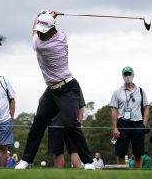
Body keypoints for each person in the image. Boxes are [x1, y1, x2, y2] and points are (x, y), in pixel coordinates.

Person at [15, 10, 94, 170]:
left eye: (44, 32)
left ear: (52, 30)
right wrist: (47, 18)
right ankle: (26, 160)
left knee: (71, 125)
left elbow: (33, 32)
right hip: (52, 90)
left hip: (68, 88)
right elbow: (36, 29)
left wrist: (41, 15)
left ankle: (89, 163)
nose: (41, 35)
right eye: (40, 32)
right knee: (38, 123)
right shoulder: (62, 37)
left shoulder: (46, 45)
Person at [110, 66, 149, 169]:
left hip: (138, 123)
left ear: (133, 75)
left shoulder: (140, 91)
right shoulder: (117, 91)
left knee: (138, 153)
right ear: (123, 76)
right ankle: (122, 175)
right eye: (125, 74)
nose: (128, 76)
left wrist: (144, 123)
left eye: (129, 74)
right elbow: (114, 110)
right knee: (121, 153)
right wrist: (115, 127)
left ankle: (137, 175)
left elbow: (146, 107)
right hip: (122, 123)